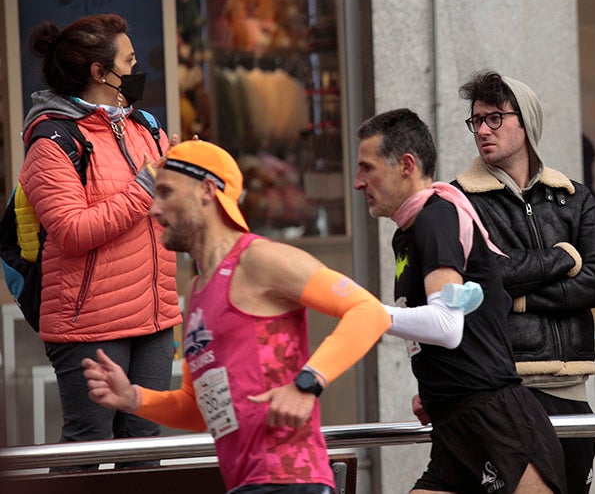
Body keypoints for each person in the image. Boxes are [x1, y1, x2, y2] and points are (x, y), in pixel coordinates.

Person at [82, 139, 390, 493]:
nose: (153, 208)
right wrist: (133, 397)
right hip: (245, 484)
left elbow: (368, 311)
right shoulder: (196, 290)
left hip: (291, 480)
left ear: (207, 190)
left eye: (165, 192)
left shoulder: (258, 259)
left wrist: (307, 383)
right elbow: (197, 409)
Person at [354, 108, 567, 494]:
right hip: (454, 424)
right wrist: (438, 385)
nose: (357, 182)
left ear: (406, 165)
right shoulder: (407, 231)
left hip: (497, 421)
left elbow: (446, 326)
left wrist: (366, 313)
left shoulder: (437, 216)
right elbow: (478, 314)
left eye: (367, 168)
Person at [19, 14, 179, 464]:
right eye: (130, 60)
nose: (137, 68)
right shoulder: (52, 140)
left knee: (146, 446)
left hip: (155, 315)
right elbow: (73, 231)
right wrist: (149, 183)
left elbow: (166, 212)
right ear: (99, 72)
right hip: (88, 323)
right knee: (88, 445)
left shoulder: (145, 126)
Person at [453, 71, 595, 493]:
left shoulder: (573, 195)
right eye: (477, 121)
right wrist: (564, 257)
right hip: (506, 386)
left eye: (495, 118)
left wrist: (521, 300)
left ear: (525, 123)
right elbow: (489, 274)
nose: (483, 131)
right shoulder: (459, 199)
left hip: (574, 390)